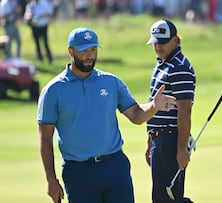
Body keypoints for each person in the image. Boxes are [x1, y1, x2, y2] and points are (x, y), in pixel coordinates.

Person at [37, 27, 176, 203]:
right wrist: (51, 179)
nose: (90, 55)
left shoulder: (111, 82)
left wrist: (154, 106)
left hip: (114, 167)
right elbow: (45, 138)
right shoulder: (53, 90)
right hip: (78, 172)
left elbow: (136, 115)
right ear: (70, 51)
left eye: (93, 50)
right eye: (84, 50)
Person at [145, 19, 196, 203]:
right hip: (160, 139)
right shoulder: (163, 64)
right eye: (155, 42)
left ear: (175, 40)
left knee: (167, 198)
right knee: (162, 197)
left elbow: (184, 111)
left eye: (163, 42)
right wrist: (150, 140)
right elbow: (155, 106)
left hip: (170, 140)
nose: (158, 46)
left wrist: (181, 148)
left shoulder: (179, 67)